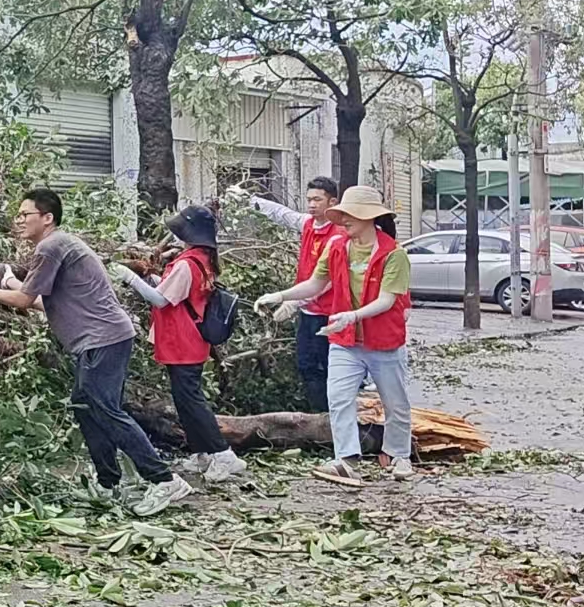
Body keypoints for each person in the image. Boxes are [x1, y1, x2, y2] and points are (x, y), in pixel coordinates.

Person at [0, 189, 194, 516]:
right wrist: (13, 283)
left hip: (103, 339)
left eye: (25, 214)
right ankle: (109, 483)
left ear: (47, 218)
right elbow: (45, 302)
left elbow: (25, 301)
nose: (20, 220)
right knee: (86, 406)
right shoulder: (60, 246)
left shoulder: (50, 246)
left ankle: (164, 479)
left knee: (105, 409)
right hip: (100, 340)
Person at [254, 186, 415, 484]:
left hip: (384, 343)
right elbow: (315, 283)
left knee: (395, 403)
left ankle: (400, 456)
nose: (342, 221)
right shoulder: (337, 246)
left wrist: (352, 315)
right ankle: (346, 459)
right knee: (339, 399)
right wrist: (280, 296)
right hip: (344, 341)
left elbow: (387, 300)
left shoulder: (394, 254)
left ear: (368, 217)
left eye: (348, 215)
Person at [108, 205, 247, 484]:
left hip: (183, 341)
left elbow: (160, 299)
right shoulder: (201, 259)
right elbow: (172, 289)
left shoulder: (186, 263)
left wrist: (130, 277)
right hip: (189, 340)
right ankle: (203, 454)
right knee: (185, 400)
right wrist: (148, 278)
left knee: (192, 401)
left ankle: (224, 455)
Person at [228, 177, 341, 411]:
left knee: (331, 368)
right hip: (308, 312)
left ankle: (335, 416)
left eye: (317, 200)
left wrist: (291, 302)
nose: (311, 204)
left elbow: (325, 282)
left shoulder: (338, 234)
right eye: (309, 199)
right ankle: (319, 417)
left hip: (330, 314)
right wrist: (247, 200)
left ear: (332, 202)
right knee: (306, 365)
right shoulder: (309, 224)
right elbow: (282, 214)